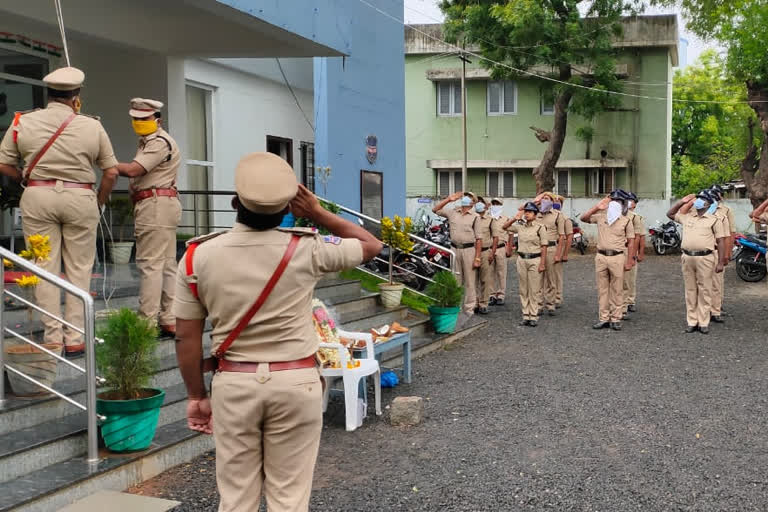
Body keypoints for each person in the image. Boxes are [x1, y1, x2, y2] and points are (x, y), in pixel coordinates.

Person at [173, 152, 381, 512]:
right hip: (296, 381)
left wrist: (196, 396)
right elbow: (371, 245)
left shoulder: (197, 257)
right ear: (287, 206)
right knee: (289, 497)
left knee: (236, 498)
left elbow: (185, 337)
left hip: (234, 383)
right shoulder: (307, 248)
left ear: (235, 202)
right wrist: (316, 212)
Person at [0, 66, 119, 357]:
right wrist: (99, 201)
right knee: (79, 269)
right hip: (81, 197)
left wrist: (25, 179)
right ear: (76, 97)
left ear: (48, 94)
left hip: (38, 195)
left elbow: (4, 163)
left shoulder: (22, 121)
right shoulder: (92, 125)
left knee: (44, 268)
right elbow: (112, 172)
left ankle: (53, 338)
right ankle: (75, 337)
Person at [116, 98, 182, 337]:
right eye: (135, 119)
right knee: (165, 265)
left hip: (156, 205)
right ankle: (169, 318)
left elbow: (134, 170)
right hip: (160, 203)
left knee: (151, 265)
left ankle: (146, 322)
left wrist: (107, 163)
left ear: (157, 119)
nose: (139, 123)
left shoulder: (158, 143)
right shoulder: (149, 142)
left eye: (144, 119)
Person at [667, 190, 726, 334]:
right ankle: (692, 321)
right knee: (690, 290)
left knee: (705, 289)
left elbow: (721, 241)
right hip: (687, 257)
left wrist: (720, 262)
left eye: (701, 199)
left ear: (708, 203)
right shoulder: (688, 217)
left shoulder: (714, 220)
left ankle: (703, 321)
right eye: (697, 198)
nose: (698, 201)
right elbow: (670, 214)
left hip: (705, 257)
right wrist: (682, 202)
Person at [581, 190, 636, 331]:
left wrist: (629, 261)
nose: (615, 204)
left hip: (617, 257)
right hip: (601, 256)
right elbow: (584, 218)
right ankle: (603, 318)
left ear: (623, 204)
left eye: (618, 201)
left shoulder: (626, 220)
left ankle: (616, 318)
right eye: (613, 201)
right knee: (602, 289)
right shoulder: (601, 217)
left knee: (617, 289)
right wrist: (597, 207)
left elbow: (631, 242)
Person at [433, 191, 479, 315]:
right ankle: (456, 306)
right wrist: (449, 199)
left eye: (469, 198)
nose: (465, 199)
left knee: (470, 281)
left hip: (469, 250)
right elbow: (435, 209)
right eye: (464, 197)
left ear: (473, 202)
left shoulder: (475, 217)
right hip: (454, 249)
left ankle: (469, 309)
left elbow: (479, 239)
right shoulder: (453, 212)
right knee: (456, 279)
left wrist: (477, 258)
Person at [504, 202, 547, 326]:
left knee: (534, 289)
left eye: (530, 212)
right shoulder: (520, 226)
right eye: (526, 212)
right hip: (522, 259)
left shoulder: (540, 227)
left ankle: (533, 315)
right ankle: (525, 315)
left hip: (535, 259)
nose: (527, 214)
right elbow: (504, 227)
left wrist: (543, 263)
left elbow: (544, 246)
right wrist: (514, 218)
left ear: (535, 214)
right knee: (523, 289)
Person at [533, 192, 565, 316]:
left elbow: (562, 236)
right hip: (538, 249)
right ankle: (539, 305)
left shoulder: (558, 215)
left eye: (547, 198)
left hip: (551, 248)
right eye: (543, 199)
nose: (544, 200)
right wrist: (536, 200)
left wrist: (558, 254)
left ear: (552, 201)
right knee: (538, 278)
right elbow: (522, 212)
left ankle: (551, 304)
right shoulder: (536, 214)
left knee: (551, 278)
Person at [707, 185, 734, 323]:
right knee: (704, 283)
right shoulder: (701, 212)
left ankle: (716, 309)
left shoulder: (725, 212)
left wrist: (727, 254)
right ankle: (705, 309)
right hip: (704, 252)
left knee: (717, 283)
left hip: (718, 250)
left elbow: (729, 234)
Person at [623, 192, 646, 317]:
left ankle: (629, 301)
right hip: (619, 249)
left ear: (635, 204)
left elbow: (640, 237)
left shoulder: (637, 217)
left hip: (630, 249)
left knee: (630, 278)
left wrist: (640, 253)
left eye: (632, 200)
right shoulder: (619, 215)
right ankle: (621, 302)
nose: (629, 202)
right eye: (627, 200)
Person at [472, 198, 497, 314]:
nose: (479, 204)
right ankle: (475, 303)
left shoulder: (490, 220)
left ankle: (484, 303)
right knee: (472, 279)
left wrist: (492, 252)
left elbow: (496, 237)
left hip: (485, 251)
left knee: (484, 279)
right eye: (477, 202)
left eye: (481, 202)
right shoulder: (471, 217)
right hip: (472, 251)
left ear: (486, 206)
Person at [489, 198, 510, 306]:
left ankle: (501, 294)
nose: (495, 205)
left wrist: (509, 248)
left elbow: (510, 234)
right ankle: (491, 294)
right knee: (489, 272)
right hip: (489, 248)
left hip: (501, 247)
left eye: (498, 204)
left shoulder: (505, 219)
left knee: (501, 272)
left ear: (501, 205)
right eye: (494, 203)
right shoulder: (486, 218)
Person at [552, 195, 572, 308]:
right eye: (553, 200)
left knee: (557, 275)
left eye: (557, 201)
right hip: (546, 248)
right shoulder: (544, 217)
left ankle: (557, 297)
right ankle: (548, 297)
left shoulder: (565, 219)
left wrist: (564, 254)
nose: (555, 202)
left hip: (558, 247)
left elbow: (569, 237)